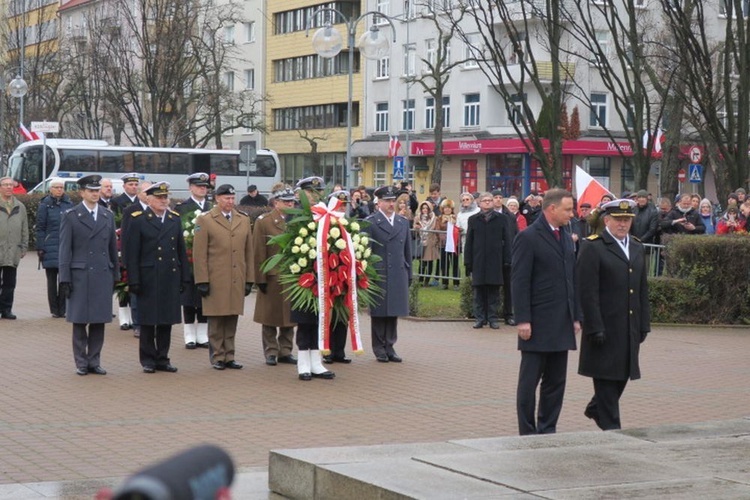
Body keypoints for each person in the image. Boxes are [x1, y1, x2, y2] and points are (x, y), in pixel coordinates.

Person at [511, 188, 581, 435]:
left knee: (555, 383)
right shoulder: (528, 237)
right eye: (568, 209)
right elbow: (519, 281)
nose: (571, 214)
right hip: (537, 323)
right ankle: (527, 433)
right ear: (551, 209)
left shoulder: (565, 235)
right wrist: (522, 319)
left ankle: (547, 429)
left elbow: (571, 278)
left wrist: (575, 316)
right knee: (529, 384)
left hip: (561, 322)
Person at [577, 199, 650, 430]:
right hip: (605, 327)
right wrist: (594, 326)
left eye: (627, 220)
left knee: (622, 375)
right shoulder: (593, 246)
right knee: (607, 379)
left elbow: (641, 288)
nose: (623, 224)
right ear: (606, 220)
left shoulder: (637, 246)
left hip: (628, 325)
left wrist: (644, 323)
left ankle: (597, 407)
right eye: (618, 219)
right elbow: (587, 291)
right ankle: (613, 431)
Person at [125, 182, 190, 373]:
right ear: (149, 199)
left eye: (165, 198)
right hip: (148, 276)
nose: (163, 201)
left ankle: (163, 358)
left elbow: (181, 250)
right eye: (159, 198)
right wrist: (133, 280)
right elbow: (131, 253)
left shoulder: (174, 219)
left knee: (165, 321)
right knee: (147, 321)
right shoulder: (139, 220)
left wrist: (184, 277)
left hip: (169, 276)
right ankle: (148, 359)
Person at [58, 175, 118, 375]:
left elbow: (112, 248)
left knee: (99, 320)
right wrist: (64, 278)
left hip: (102, 273)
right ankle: (81, 362)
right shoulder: (71, 215)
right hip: (80, 275)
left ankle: (94, 360)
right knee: (80, 320)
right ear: (82, 192)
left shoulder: (107, 215)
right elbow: (65, 250)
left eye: (96, 190)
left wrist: (115, 273)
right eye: (91, 191)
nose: (94, 194)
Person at [192, 184, 254, 371]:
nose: (230, 202)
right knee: (217, 320)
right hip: (216, 277)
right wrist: (202, 279)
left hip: (236, 276)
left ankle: (230, 355)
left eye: (233, 198)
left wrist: (249, 279)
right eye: (227, 198)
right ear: (217, 198)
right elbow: (199, 253)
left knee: (232, 318)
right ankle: (218, 356)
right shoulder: (205, 220)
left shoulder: (242, 219)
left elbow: (248, 252)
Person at [289, 176, 335, 380]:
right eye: (310, 192)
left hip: (325, 275)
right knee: (305, 319)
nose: (315, 196)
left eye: (318, 192)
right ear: (301, 194)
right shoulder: (296, 215)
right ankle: (303, 363)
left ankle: (316, 362)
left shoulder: (326, 213)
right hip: (303, 276)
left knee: (320, 319)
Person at [364, 185, 412, 363]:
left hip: (398, 272)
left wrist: (409, 273)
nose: (391, 204)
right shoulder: (370, 222)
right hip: (379, 273)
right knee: (379, 312)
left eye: (393, 200)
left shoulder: (402, 222)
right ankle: (379, 348)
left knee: (394, 311)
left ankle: (390, 346)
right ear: (379, 203)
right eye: (387, 201)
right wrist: (366, 274)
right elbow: (366, 251)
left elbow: (407, 251)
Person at [252, 183, 298, 367]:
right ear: (276, 202)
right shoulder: (264, 221)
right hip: (272, 276)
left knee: (290, 318)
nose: (290, 205)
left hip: (292, 276)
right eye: (286, 202)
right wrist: (259, 278)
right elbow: (258, 252)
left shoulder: (298, 221)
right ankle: (271, 352)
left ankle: (285, 351)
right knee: (270, 317)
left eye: (292, 202)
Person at [175, 173, 212, 349]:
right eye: (198, 186)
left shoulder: (212, 208)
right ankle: (189, 334)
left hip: (208, 260)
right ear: (190, 187)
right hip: (188, 260)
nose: (202, 189)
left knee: (204, 297)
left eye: (205, 186)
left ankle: (202, 334)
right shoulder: (182, 208)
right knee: (189, 298)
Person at [464, 192, 513, 329]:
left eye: (489, 200)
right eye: (484, 200)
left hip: (495, 260)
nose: (487, 202)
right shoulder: (473, 219)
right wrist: (468, 261)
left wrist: (507, 259)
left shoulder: (502, 219)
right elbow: (469, 242)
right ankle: (480, 318)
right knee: (478, 291)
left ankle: (492, 318)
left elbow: (507, 240)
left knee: (494, 291)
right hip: (478, 259)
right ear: (479, 203)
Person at [118, 180, 152, 337]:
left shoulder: (159, 209)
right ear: (138, 194)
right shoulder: (131, 211)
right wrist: (125, 261)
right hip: (136, 260)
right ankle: (137, 324)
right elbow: (125, 237)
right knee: (136, 294)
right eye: (145, 192)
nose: (148, 195)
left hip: (152, 260)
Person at [35, 178, 74, 318]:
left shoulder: (69, 203)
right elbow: (40, 227)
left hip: (65, 246)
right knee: (51, 281)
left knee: (64, 279)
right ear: (50, 189)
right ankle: (54, 309)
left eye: (61, 187)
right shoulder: (44, 205)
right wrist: (40, 247)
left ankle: (63, 309)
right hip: (49, 246)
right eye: (56, 187)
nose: (59, 189)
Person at [0, 176, 29, 319]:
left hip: (13, 250)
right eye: (5, 185)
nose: (8, 187)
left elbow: (25, 228)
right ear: (0, 187)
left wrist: (24, 246)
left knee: (10, 283)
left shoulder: (20, 206)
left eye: (10, 185)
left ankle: (6, 310)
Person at [435, 199, 459, 289]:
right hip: (443, 244)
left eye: (449, 208)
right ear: (443, 209)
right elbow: (437, 230)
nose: (447, 209)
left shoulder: (455, 218)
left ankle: (456, 283)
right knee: (444, 264)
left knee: (455, 264)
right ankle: (445, 283)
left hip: (454, 244)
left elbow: (458, 228)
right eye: (445, 208)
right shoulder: (439, 218)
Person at [413, 201, 439, 285]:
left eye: (426, 208)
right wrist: (416, 227)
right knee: (422, 262)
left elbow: (436, 229)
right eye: (423, 208)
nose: (425, 210)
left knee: (430, 262)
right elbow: (414, 228)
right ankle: (420, 279)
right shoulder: (417, 217)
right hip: (421, 241)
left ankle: (427, 280)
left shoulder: (434, 218)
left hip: (430, 241)